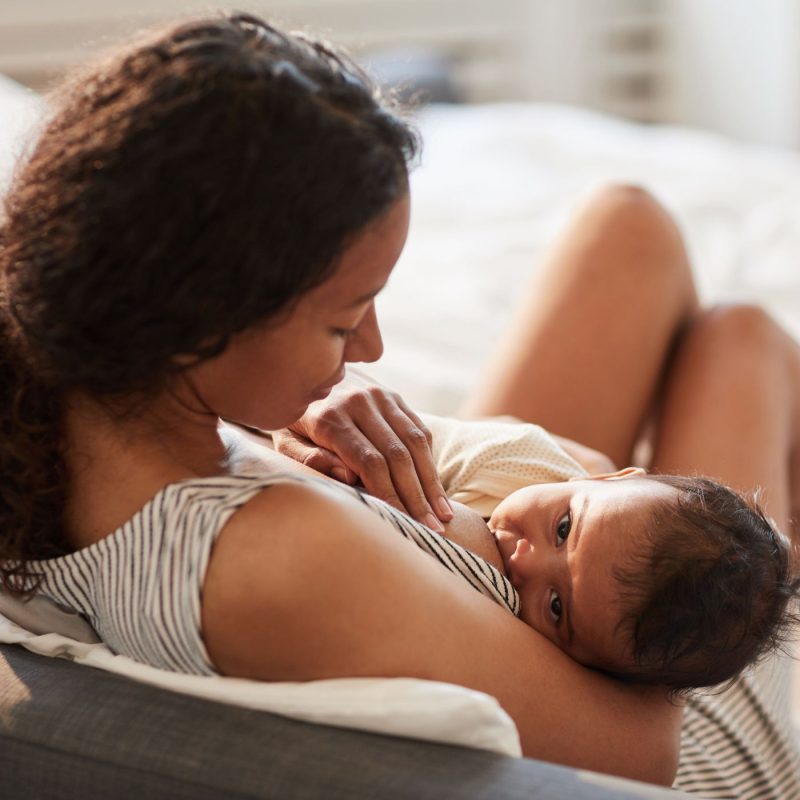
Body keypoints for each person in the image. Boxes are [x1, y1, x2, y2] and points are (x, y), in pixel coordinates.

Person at [0, 11, 797, 796]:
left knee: (631, 225)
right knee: (746, 339)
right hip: (691, 698)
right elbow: (644, 754)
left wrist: (292, 405)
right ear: (206, 320)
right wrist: (617, 515)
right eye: (344, 319)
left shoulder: (74, 379)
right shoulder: (278, 557)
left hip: (513, 556)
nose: (372, 348)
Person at [389, 413, 798, 692]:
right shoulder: (518, 457)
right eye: (563, 529)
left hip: (744, 735)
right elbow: (397, 436)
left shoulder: (565, 664)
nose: (522, 561)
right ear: (607, 477)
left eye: (555, 607)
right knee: (742, 330)